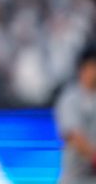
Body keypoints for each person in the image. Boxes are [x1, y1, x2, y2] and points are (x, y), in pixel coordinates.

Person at [54, 42, 96, 184]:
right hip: (75, 178)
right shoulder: (70, 99)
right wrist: (94, 156)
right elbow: (74, 137)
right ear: (83, 68)